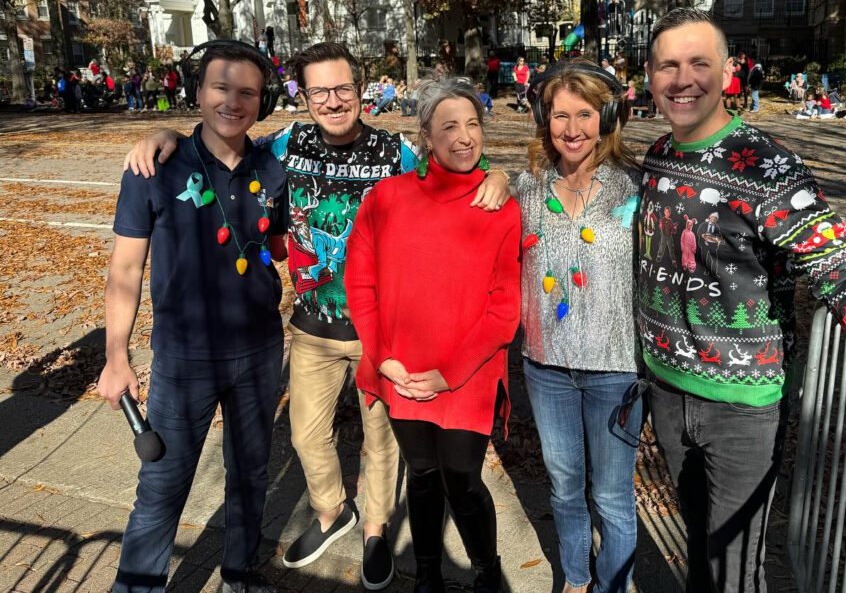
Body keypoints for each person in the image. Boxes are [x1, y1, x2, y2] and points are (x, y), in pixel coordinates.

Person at [122, 42, 511, 590]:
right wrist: (161, 137)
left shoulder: (395, 152)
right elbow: (216, 142)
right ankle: (332, 512)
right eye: (320, 91)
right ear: (303, 97)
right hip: (312, 326)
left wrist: (496, 175)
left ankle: (375, 529)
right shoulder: (282, 146)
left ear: (360, 89)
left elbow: (456, 158)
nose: (333, 100)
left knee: (382, 443)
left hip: (385, 329)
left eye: (344, 88)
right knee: (306, 435)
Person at [638, 7, 846, 593]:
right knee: (700, 550)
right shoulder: (658, 157)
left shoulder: (770, 166)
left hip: (742, 409)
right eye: (668, 65)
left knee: (735, 571)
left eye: (699, 63)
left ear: (728, 73)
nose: (682, 79)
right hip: (667, 392)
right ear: (649, 76)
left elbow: (840, 268)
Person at [98, 41, 289, 593]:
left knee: (251, 474)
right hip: (185, 357)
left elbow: (274, 244)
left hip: (258, 350)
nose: (234, 101)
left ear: (262, 100)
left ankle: (239, 574)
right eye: (221, 88)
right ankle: (137, 585)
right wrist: (117, 358)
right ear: (198, 92)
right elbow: (126, 269)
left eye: (248, 92)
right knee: (162, 483)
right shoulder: (154, 167)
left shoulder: (270, 168)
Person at [346, 77, 521, 593]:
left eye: (473, 125)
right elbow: (361, 282)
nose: (464, 137)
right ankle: (427, 574)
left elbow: (504, 307)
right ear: (425, 136)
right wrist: (382, 358)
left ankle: (487, 572)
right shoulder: (387, 197)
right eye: (449, 126)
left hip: (466, 374)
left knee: (463, 480)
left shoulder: (498, 204)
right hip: (401, 369)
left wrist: (448, 375)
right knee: (421, 476)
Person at [519, 62, 641, 593]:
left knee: (611, 496)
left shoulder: (636, 189)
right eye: (560, 116)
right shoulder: (526, 187)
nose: (572, 129)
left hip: (615, 369)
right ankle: (574, 578)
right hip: (545, 367)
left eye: (585, 114)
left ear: (608, 116)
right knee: (565, 486)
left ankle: (612, 585)